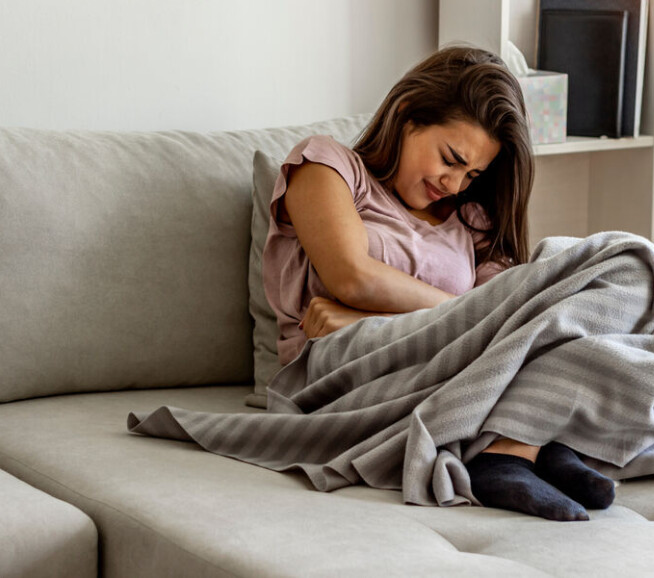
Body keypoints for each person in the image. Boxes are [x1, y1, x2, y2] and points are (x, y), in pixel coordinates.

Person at [261, 45, 616, 521]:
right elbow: (352, 276)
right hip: (338, 374)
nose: (454, 183)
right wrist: (462, 315)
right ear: (408, 114)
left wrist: (371, 317)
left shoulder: (470, 218)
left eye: (472, 174)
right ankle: (517, 446)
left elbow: (516, 316)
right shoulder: (327, 166)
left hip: (444, 361)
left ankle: (521, 447)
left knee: (612, 275)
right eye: (451, 158)